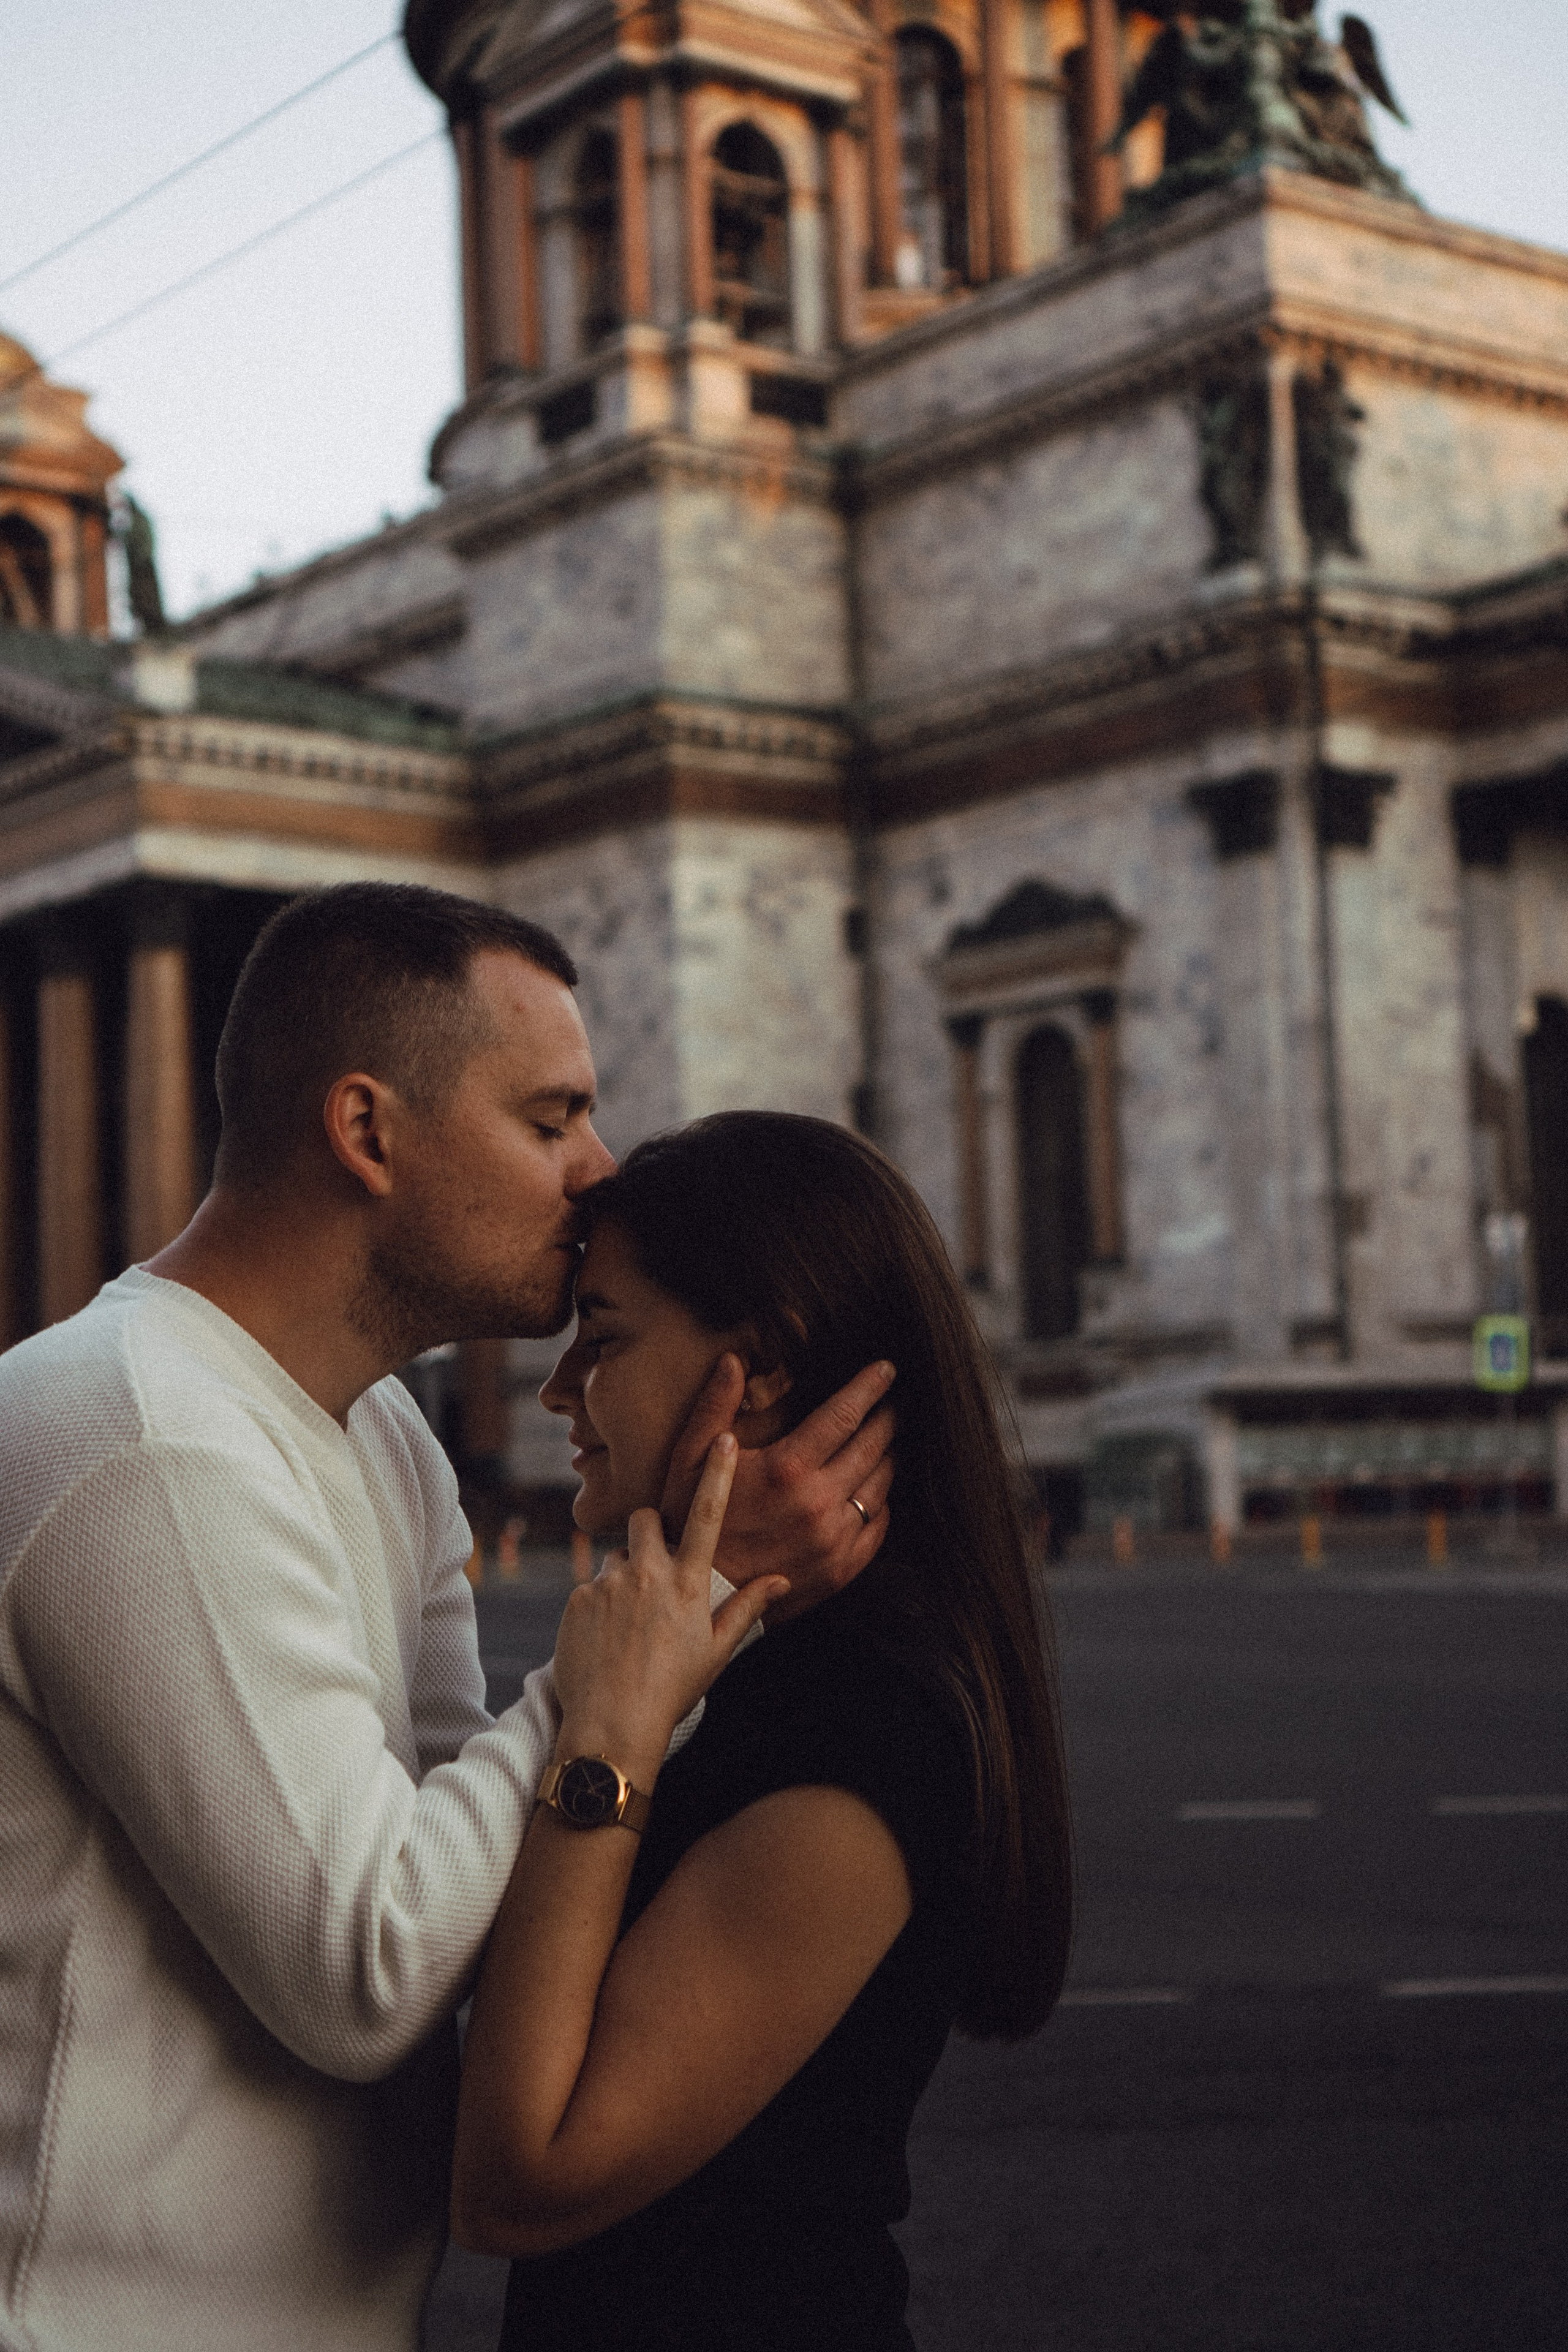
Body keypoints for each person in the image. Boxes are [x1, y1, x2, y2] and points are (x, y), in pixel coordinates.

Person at [0, 885, 894, 2352]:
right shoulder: (139, 1432)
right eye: (552, 1121)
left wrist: (656, 1649)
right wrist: (649, 1645)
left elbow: (478, 1875)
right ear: (367, 1131)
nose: (597, 1172)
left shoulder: (385, 1439)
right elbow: (372, 1971)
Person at [450, 1111, 1073, 2351]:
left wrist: (611, 1728)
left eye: (602, 1337)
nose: (558, 1389)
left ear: (763, 1365)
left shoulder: (856, 1735)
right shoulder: (757, 1664)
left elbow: (519, 2181)